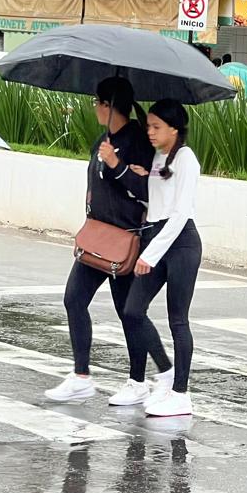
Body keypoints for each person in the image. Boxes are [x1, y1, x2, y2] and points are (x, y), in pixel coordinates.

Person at [45, 77, 173, 404]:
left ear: (109, 105)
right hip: (97, 236)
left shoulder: (137, 141)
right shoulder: (102, 140)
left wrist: (117, 167)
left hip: (125, 240)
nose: (95, 109)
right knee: (74, 299)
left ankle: (150, 376)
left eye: (96, 103)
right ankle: (81, 375)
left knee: (130, 313)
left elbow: (147, 191)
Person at [121, 99, 202, 418]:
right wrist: (138, 176)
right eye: (148, 126)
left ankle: (181, 394)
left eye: (156, 127)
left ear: (174, 128)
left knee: (177, 320)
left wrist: (150, 256)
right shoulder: (158, 158)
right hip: (155, 236)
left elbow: (180, 213)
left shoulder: (186, 159)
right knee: (132, 310)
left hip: (181, 244)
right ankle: (165, 373)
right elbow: (156, 201)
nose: (150, 132)